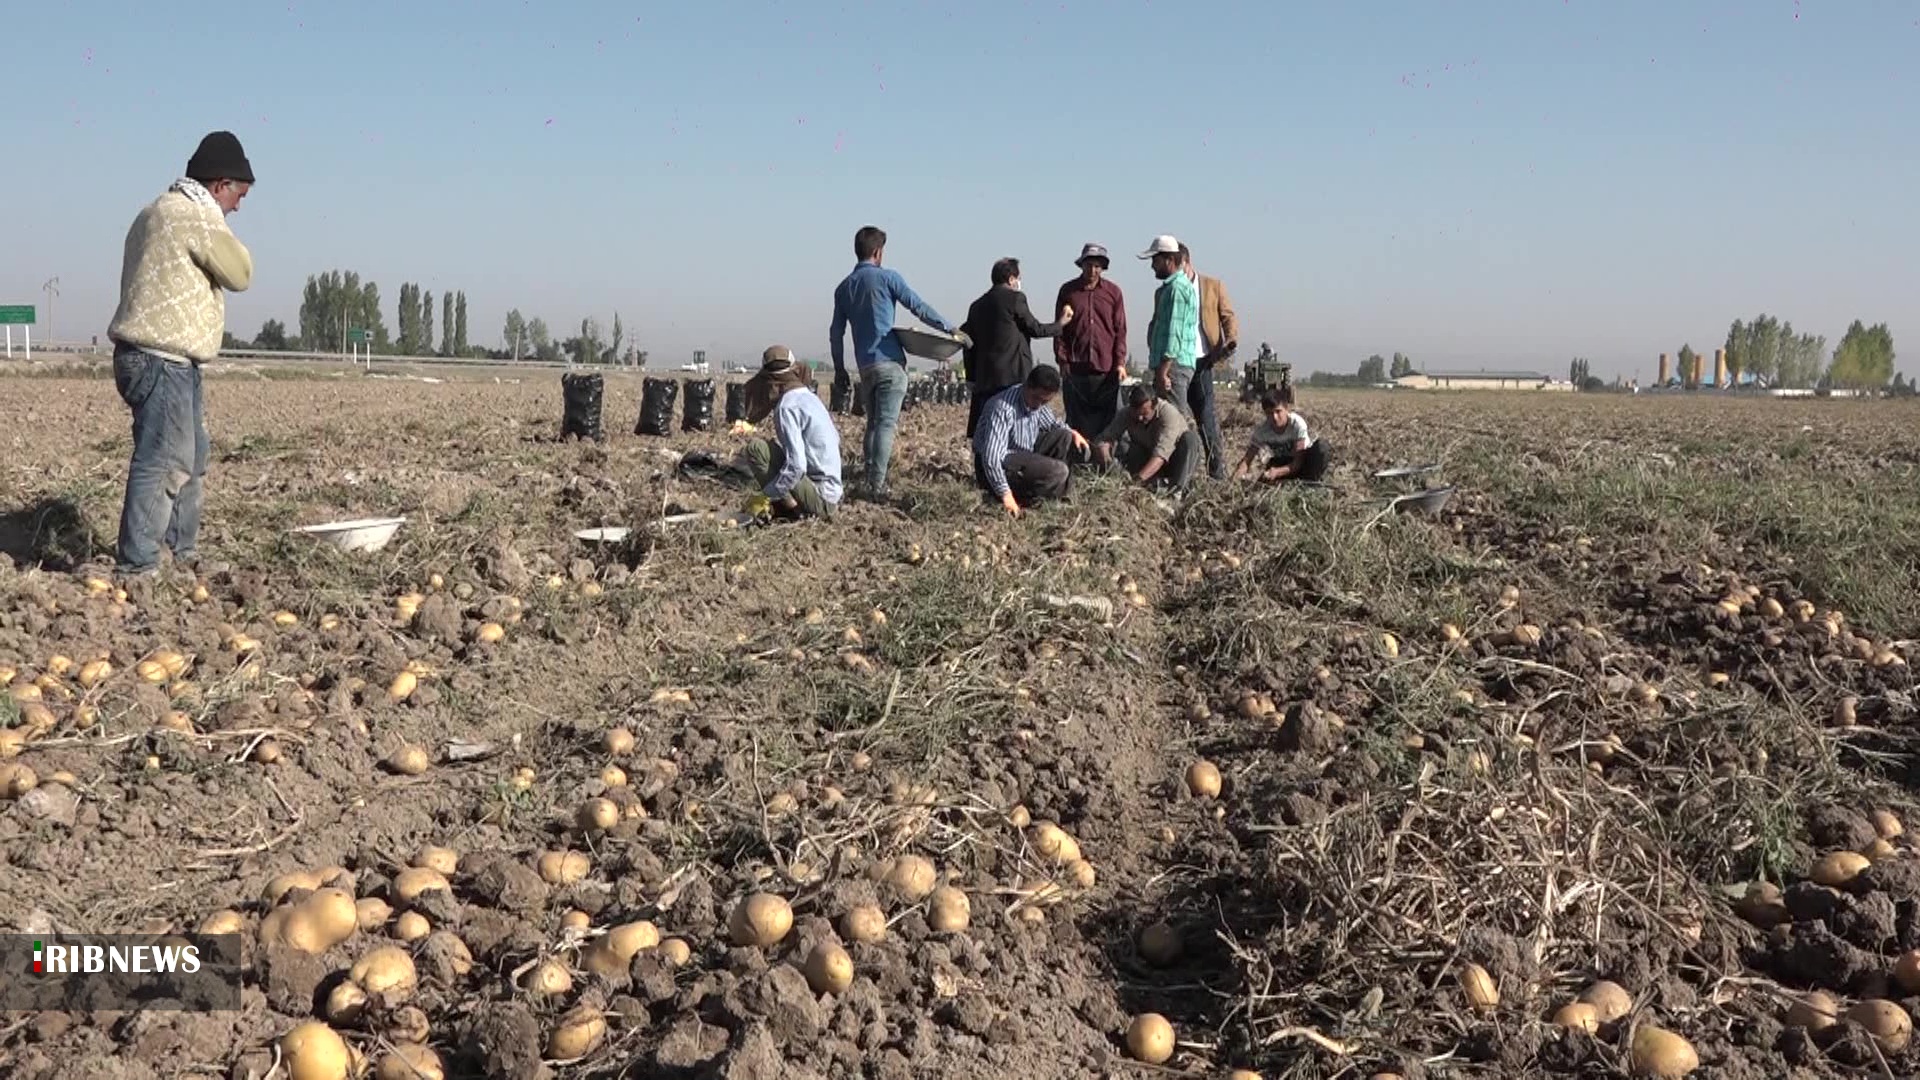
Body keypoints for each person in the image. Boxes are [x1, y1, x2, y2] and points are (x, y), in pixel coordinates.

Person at [106, 131, 255, 575]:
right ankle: (139, 565)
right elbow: (240, 272)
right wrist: (216, 221)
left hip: (158, 358)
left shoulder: (152, 212)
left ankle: (181, 552)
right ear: (219, 184)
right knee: (167, 459)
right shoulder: (191, 215)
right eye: (238, 195)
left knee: (191, 455)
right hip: (161, 358)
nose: (238, 207)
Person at [829, 225, 955, 500]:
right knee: (885, 425)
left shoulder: (843, 289)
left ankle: (870, 477)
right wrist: (951, 330)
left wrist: (839, 369)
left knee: (873, 423)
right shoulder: (887, 278)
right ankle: (877, 485)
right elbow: (919, 308)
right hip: (890, 363)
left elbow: (835, 334)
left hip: (866, 367)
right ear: (878, 252)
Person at [959, 257, 1072, 438]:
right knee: (1013, 431)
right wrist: (1060, 324)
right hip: (1011, 377)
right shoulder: (1015, 299)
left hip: (985, 380)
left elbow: (968, 342)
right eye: (1018, 278)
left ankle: (985, 464)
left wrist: (971, 377)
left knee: (986, 430)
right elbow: (1036, 329)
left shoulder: (977, 306)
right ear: (1012, 278)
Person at [971, 365, 1090, 518]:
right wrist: (1006, 495)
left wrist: (1073, 432)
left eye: (1045, 401)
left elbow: (1053, 423)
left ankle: (1058, 492)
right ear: (1027, 386)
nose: (1039, 405)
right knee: (1059, 470)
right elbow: (992, 457)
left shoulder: (1037, 404)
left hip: (1024, 453)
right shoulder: (1003, 408)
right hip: (998, 465)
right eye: (1036, 398)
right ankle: (1030, 498)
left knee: (1065, 437)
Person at [741, 346, 843, 520]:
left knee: (756, 450)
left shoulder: (787, 407)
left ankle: (791, 510)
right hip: (834, 492)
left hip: (821, 499)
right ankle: (793, 505)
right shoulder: (809, 398)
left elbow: (797, 466)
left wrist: (766, 495)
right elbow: (835, 440)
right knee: (771, 450)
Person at [1053, 243, 1128, 440]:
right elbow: (1059, 329)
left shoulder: (1114, 293)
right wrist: (1063, 361)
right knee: (1076, 420)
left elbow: (1120, 330)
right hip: (1076, 367)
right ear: (1081, 265)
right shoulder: (1068, 291)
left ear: (1102, 267)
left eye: (1097, 266)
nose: (1092, 270)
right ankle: (1078, 462)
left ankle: (1107, 462)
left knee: (1111, 420)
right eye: (1089, 265)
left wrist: (1120, 363)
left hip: (1106, 368)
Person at [1178, 243, 1237, 480]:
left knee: (1207, 419)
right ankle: (1180, 473)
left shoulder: (1213, 286)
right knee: (1177, 420)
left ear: (1186, 263)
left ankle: (1217, 473)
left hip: (1203, 362)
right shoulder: (1170, 290)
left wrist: (1231, 339)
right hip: (1178, 363)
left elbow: (1228, 316)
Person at [1093, 384, 1202, 494]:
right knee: (1130, 447)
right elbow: (1104, 438)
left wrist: (1137, 481)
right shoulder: (1126, 414)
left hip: (1174, 460)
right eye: (1136, 414)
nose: (1140, 418)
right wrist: (1106, 458)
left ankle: (1177, 489)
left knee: (1190, 439)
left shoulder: (1169, 414)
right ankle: (1151, 484)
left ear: (1154, 406)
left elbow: (1161, 455)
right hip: (1149, 457)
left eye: (1144, 414)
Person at [1138, 235, 1198, 423]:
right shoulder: (1169, 289)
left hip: (1174, 366)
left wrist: (1163, 371)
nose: (1152, 266)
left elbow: (1175, 333)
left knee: (1174, 422)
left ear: (1169, 260)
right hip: (1171, 365)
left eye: (1155, 260)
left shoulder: (1177, 289)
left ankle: (1190, 452)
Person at [1234, 385, 1331, 483]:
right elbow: (1247, 459)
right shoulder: (1262, 431)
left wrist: (1276, 472)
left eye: (1278, 411)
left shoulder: (1296, 425)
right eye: (1269, 413)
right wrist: (1237, 477)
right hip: (1284, 463)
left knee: (1322, 447)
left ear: (1286, 409)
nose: (1275, 417)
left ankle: (1310, 482)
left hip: (1303, 462)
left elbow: (1298, 463)